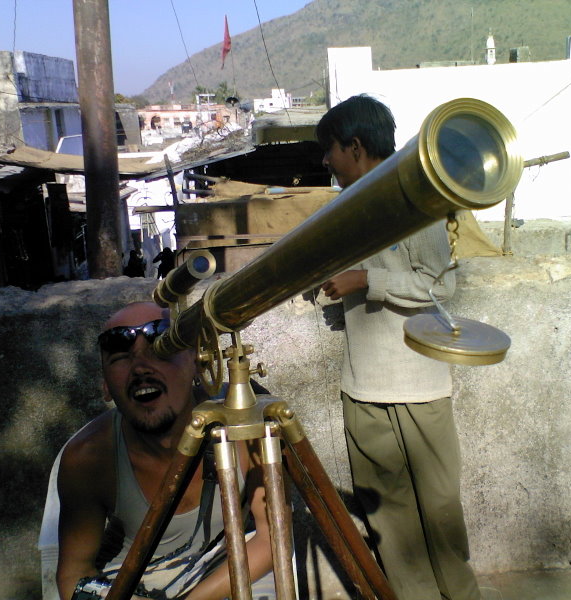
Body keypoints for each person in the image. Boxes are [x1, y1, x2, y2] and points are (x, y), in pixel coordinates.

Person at [317, 95, 481, 600]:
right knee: (388, 518)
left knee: (439, 508)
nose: (325, 161)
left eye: (330, 150)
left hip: (418, 384)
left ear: (355, 146)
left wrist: (368, 280)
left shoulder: (415, 200)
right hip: (364, 386)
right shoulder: (348, 205)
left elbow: (441, 285)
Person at [55, 301, 276, 600]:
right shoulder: (88, 458)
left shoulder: (246, 417)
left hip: (221, 571)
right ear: (105, 385)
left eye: (162, 349)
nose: (141, 368)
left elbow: (272, 538)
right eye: (120, 356)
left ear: (199, 362)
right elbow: (73, 573)